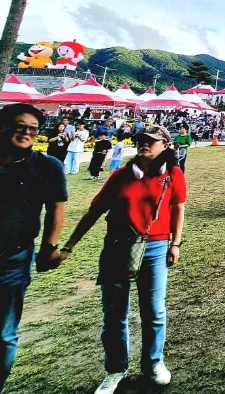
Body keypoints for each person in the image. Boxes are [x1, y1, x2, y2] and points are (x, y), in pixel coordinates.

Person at [56, 125, 185, 394]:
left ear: (165, 146)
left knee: (154, 311)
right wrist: (69, 245)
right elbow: (94, 211)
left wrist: (175, 243)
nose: (144, 144)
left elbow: (178, 209)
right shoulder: (121, 175)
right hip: (117, 247)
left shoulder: (172, 174)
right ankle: (116, 369)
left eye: (151, 141)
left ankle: (153, 363)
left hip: (156, 248)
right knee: (114, 313)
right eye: (140, 140)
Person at [0, 104, 67, 394]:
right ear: (1, 128)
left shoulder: (46, 166)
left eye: (33, 129)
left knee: (0, 335)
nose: (27, 133)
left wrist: (49, 247)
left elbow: (56, 207)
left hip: (10, 260)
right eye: (20, 126)